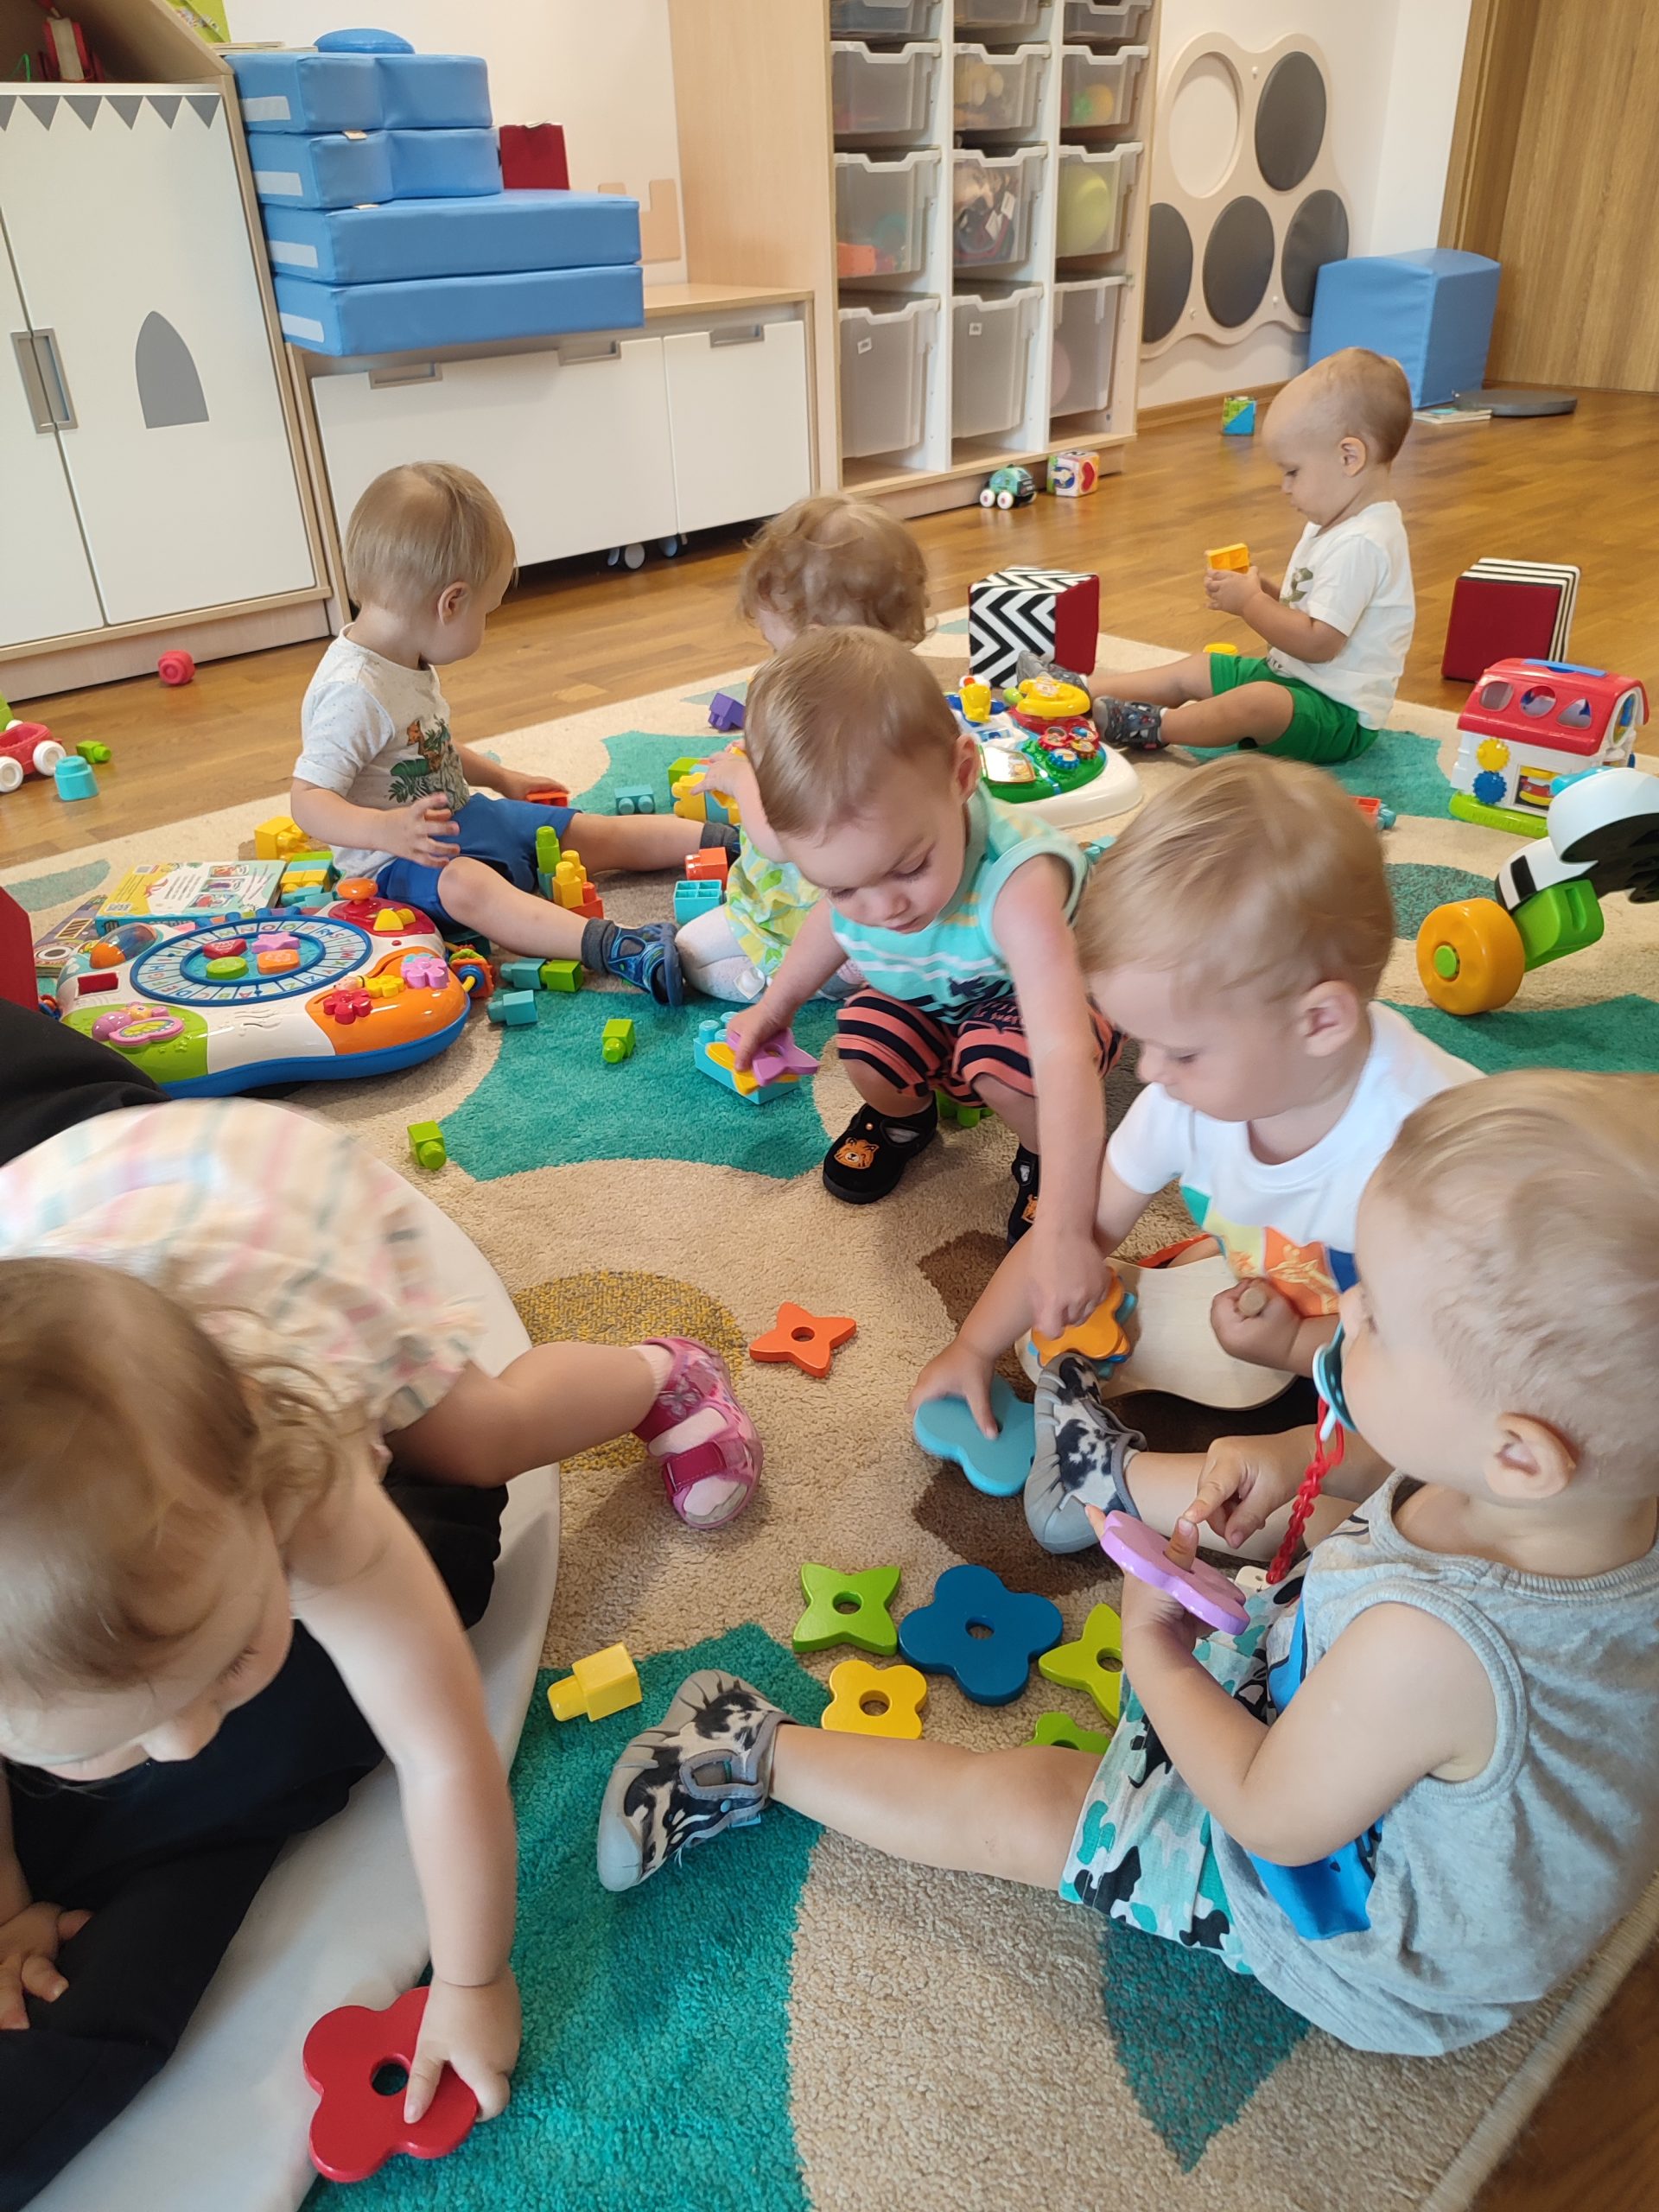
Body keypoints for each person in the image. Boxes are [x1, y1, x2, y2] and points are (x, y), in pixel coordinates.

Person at [596, 1069, 1659, 2060]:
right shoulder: (1586, 1485)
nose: (1346, 1323)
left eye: (1377, 1323)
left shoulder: (1427, 1652)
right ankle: (1112, 1476)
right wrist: (1293, 1454)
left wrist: (1158, 1656)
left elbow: (1268, 1811)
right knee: (1323, 1514)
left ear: (1518, 1455)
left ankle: (742, 1745)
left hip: (1363, 1925)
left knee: (1032, 1810)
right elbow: (1414, 1460)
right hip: (1408, 1728)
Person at [0, 1069, 760, 2200]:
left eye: (227, 1659)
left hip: (265, 1210)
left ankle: (661, 1374)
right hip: (50, 1218)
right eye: (95, 1742)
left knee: (477, 1438)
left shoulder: (300, 1486)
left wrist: (472, 1978)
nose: (189, 1743)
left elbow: (442, 1753)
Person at [911, 754, 1473, 1551]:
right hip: (1316, 1307)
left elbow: (1454, 1371)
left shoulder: (1435, 1156)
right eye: (1142, 1042)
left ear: (1319, 1022)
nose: (1148, 1074)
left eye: (1181, 1050)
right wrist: (975, 1345)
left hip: (1419, 1350)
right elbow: (1071, 1234)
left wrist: (1296, 1348)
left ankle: (1120, 1477)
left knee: (1375, 1524)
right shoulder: (1183, 1101)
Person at [726, 626, 1118, 1334]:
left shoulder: (1020, 883)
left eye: (908, 868)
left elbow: (1064, 1050)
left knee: (1000, 1064)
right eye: (844, 887)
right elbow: (829, 927)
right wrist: (775, 1007)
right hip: (934, 1001)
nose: (882, 908)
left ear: (962, 775)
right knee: (863, 1040)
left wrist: (1067, 1223)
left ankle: (1046, 1157)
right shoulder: (858, 868)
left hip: (1037, 1014)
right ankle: (905, 1122)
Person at [290, 461, 729, 1005]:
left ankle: (728, 842)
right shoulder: (353, 691)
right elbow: (307, 799)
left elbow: (426, 745)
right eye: (487, 612)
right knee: (470, 886)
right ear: (451, 603)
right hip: (400, 865)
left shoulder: (403, 655)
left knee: (579, 830)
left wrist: (501, 778)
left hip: (462, 818)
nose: (487, 623)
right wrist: (386, 831)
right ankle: (617, 947)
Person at [1090, 347, 1414, 762]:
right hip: (1295, 679)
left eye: (1293, 471)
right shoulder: (1335, 523)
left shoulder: (1362, 543)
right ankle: (1082, 691)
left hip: (1337, 717)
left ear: (1349, 457)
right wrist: (1268, 593)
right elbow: (1313, 614)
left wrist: (1250, 604)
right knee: (1199, 667)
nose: (1285, 487)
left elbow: (1319, 643)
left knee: (1257, 702)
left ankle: (1154, 727)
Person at [676, 492, 930, 1005]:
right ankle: (857, 962)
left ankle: (814, 975)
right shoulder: (906, 700)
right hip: (889, 907)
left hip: (813, 914)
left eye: (776, 647)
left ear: (817, 643)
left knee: (689, 955)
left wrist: (740, 779)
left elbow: (780, 841)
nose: (772, 660)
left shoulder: (819, 727)